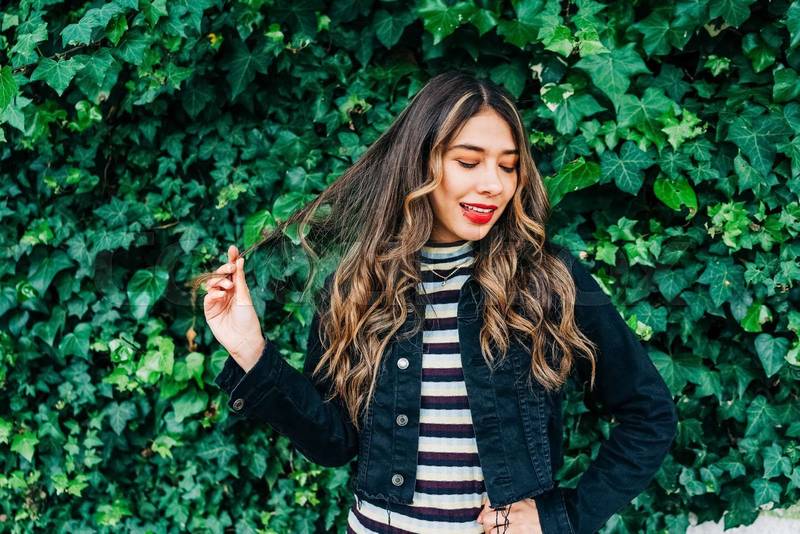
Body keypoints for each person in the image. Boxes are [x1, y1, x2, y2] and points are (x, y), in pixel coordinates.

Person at [199, 71, 678, 533]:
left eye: (508, 165)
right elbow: (332, 442)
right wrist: (250, 351)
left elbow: (649, 413)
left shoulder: (550, 279)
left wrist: (564, 517)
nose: (494, 183)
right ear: (420, 162)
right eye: (468, 162)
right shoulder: (356, 285)